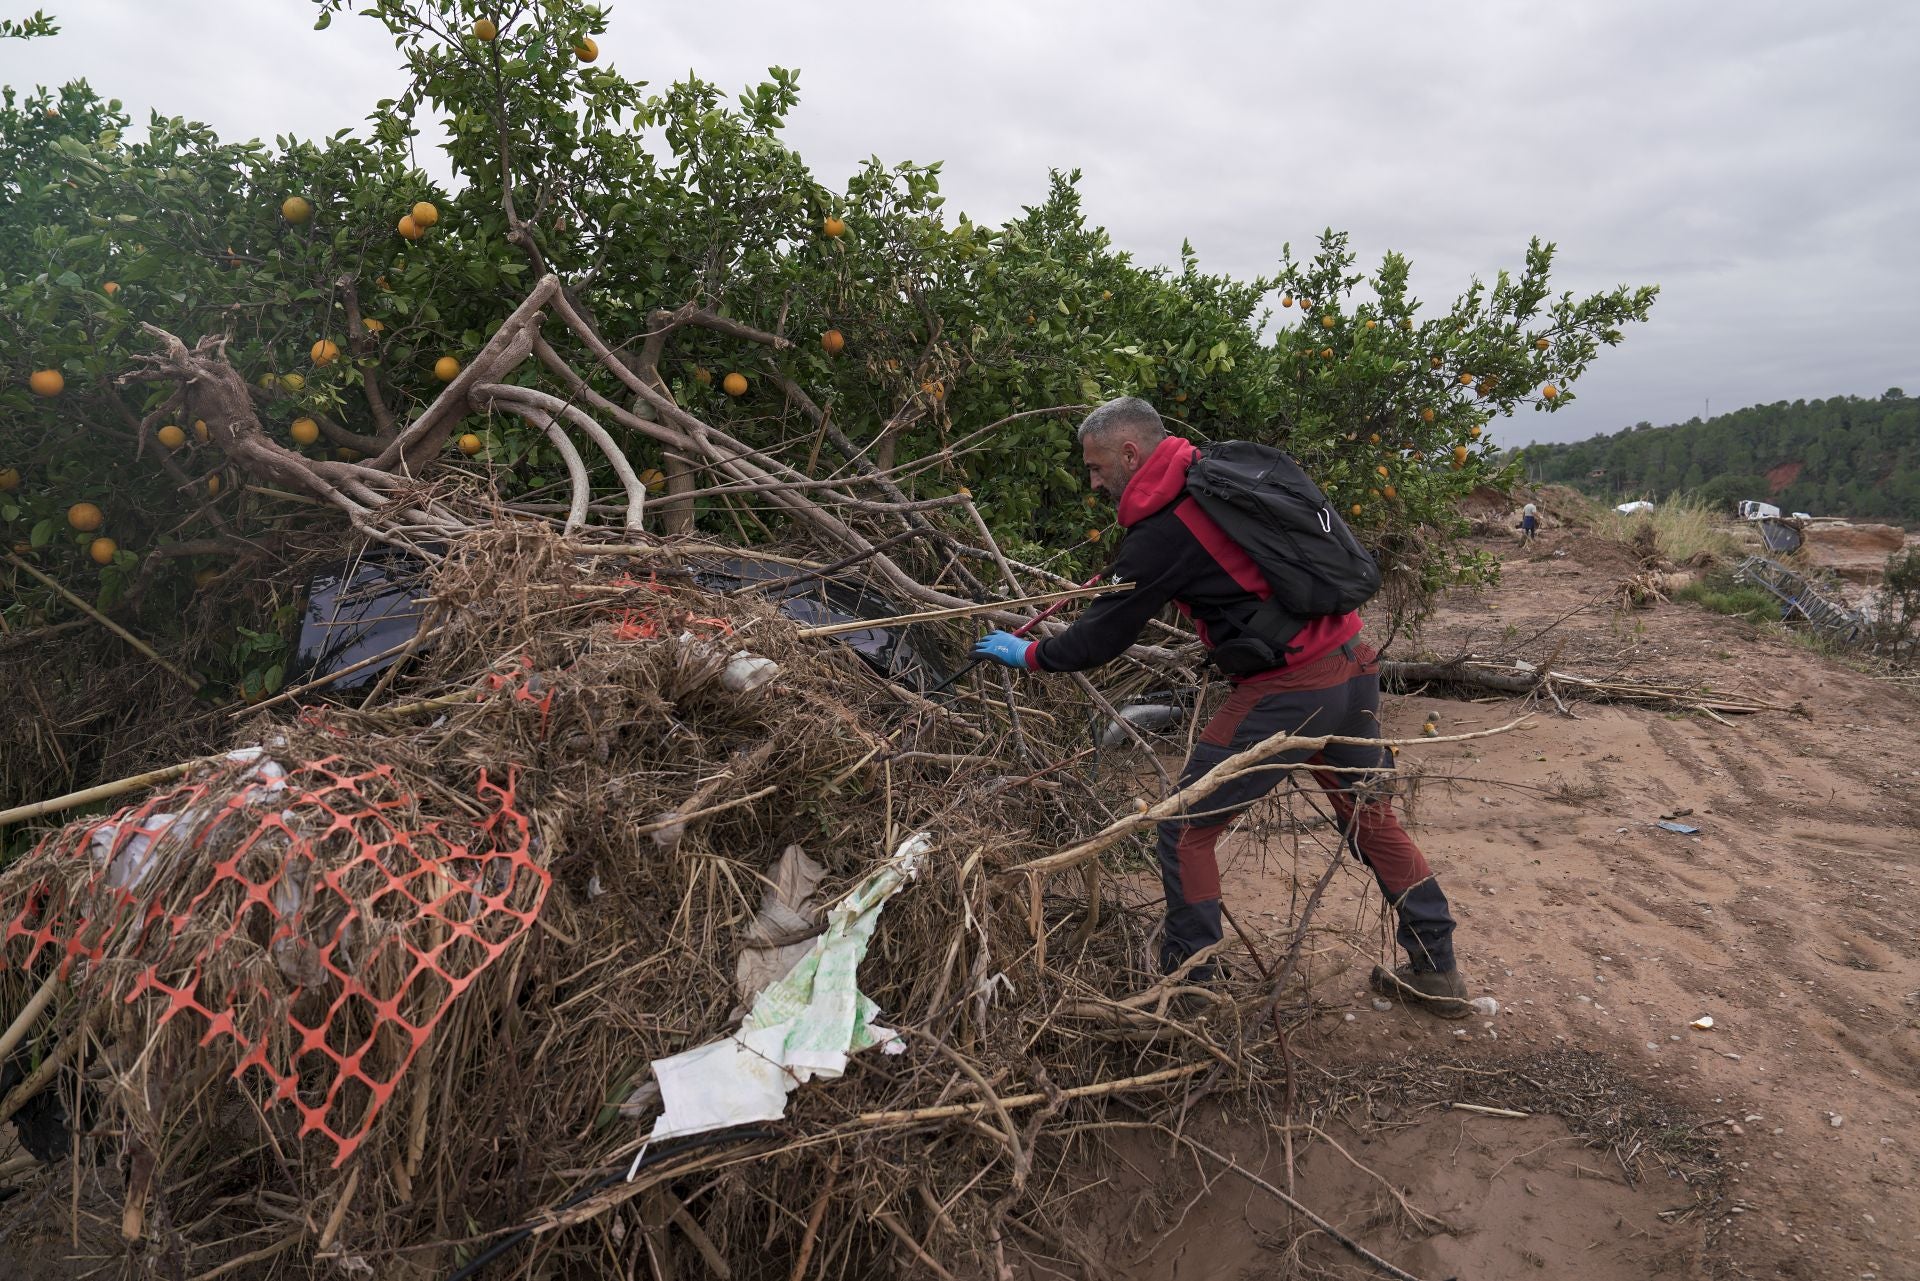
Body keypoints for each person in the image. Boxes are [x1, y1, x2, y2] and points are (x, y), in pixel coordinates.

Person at [971, 397, 1471, 1016]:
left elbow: (1100, 638)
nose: (1094, 482)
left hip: (1294, 688)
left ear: (1131, 453)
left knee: (1183, 829)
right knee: (1371, 819)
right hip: (1354, 660)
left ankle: (1190, 993)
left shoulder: (1162, 531)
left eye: (1098, 467)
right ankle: (1438, 971)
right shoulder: (1217, 477)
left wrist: (1030, 657)